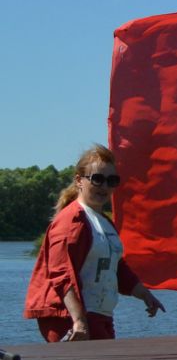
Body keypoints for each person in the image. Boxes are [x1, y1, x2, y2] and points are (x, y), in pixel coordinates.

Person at [22, 145, 164, 341]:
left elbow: (116, 267)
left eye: (111, 181)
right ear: (79, 180)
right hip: (70, 317)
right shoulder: (72, 221)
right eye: (97, 179)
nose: (104, 186)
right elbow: (61, 274)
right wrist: (78, 321)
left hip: (99, 315)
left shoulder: (104, 222)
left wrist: (145, 295)